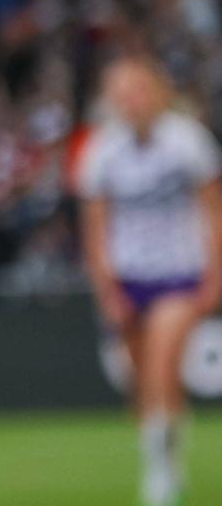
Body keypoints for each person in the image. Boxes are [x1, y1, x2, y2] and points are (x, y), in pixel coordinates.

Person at [78, 54, 222, 506]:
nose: (131, 101)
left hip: (180, 274)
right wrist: (107, 289)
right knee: (142, 382)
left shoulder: (189, 143)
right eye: (120, 94)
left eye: (137, 90)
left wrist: (215, 276)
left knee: (162, 367)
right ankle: (167, 458)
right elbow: (95, 230)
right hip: (129, 276)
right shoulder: (101, 151)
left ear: (157, 91)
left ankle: (158, 478)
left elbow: (213, 213)